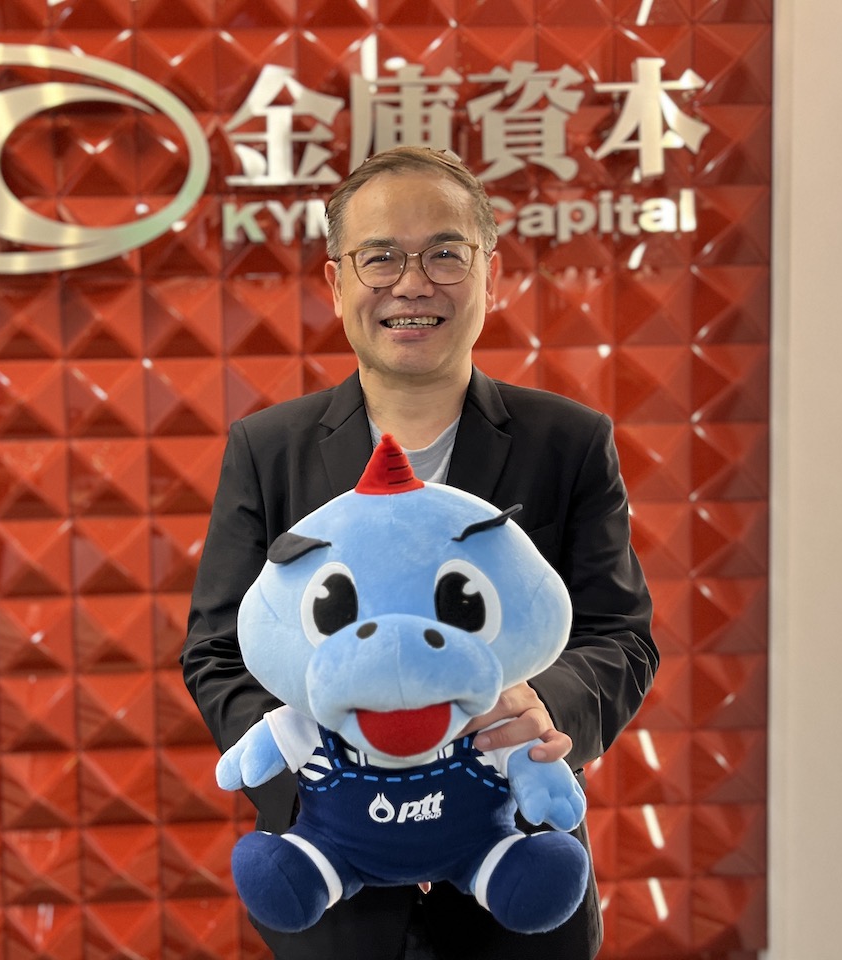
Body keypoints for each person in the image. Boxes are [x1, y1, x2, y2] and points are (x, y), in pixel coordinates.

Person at [181, 145, 658, 959]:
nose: (412, 284)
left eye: (444, 254)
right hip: (337, 891)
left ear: (490, 273)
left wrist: (545, 709)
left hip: (517, 874)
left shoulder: (568, 442)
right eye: (380, 258)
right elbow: (217, 652)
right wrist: (332, 775)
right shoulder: (268, 449)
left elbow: (619, 635)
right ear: (336, 283)